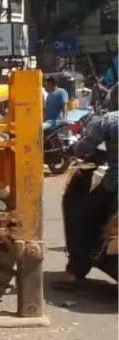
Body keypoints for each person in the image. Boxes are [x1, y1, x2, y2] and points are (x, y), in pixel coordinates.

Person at [54, 87, 118, 289]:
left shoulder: (109, 120)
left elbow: (84, 147)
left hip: (115, 183)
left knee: (81, 212)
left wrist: (70, 150)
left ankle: (76, 270)